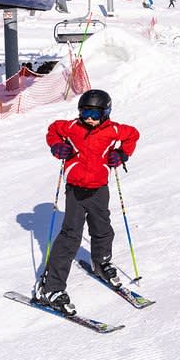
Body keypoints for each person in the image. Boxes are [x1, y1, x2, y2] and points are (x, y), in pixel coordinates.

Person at [33, 89, 140, 316]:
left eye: (94, 113)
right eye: (84, 112)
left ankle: (101, 263)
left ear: (106, 112)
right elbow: (53, 130)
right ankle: (51, 287)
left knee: (102, 229)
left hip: (99, 189)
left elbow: (133, 135)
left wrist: (122, 154)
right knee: (70, 236)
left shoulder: (113, 130)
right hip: (75, 191)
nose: (89, 118)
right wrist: (56, 147)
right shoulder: (72, 127)